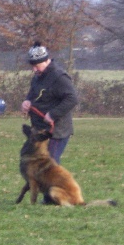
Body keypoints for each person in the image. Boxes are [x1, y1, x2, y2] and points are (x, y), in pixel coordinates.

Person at [21, 41, 78, 204]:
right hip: (39, 129)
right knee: (40, 164)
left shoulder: (59, 77)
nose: (34, 69)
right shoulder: (38, 77)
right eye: (32, 66)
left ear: (46, 60)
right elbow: (32, 94)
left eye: (36, 65)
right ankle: (49, 196)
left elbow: (72, 98)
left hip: (57, 131)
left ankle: (52, 198)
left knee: (50, 163)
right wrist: (26, 102)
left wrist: (53, 114)